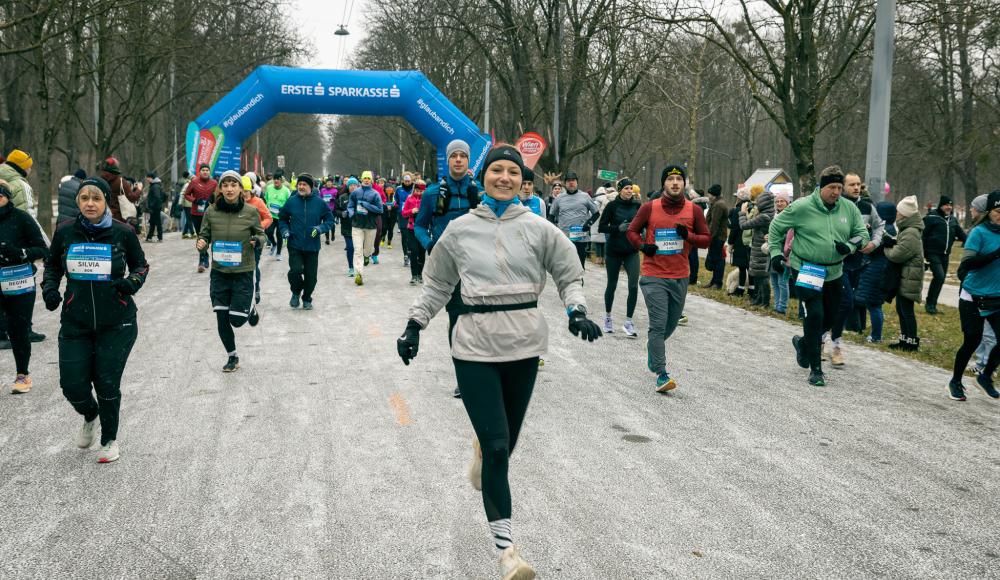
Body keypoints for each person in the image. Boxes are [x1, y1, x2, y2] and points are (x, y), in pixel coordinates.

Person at [396, 145, 601, 580]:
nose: (504, 178)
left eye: (512, 172)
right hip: (473, 345)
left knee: (503, 448)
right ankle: (508, 553)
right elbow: (435, 283)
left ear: (521, 180)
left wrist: (576, 310)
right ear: (483, 177)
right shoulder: (460, 230)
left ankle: (484, 452)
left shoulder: (540, 228)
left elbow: (568, 272)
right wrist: (415, 324)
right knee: (496, 448)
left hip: (524, 345)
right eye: (496, 171)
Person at [42, 177, 149, 463]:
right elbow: (52, 265)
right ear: (78, 202)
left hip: (117, 322)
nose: (90, 203)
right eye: (84, 198)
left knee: (106, 383)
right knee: (72, 384)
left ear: (105, 202)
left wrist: (132, 283)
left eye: (96, 198)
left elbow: (141, 265)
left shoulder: (123, 232)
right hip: (76, 321)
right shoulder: (65, 231)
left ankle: (109, 440)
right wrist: (50, 288)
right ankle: (90, 414)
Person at [769, 165, 869, 387]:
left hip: (835, 271)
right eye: (831, 187)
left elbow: (862, 233)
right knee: (815, 315)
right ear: (821, 187)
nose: (836, 192)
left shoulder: (848, 208)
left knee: (831, 318)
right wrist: (776, 253)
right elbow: (776, 228)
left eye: (839, 187)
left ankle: (804, 343)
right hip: (807, 269)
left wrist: (850, 246)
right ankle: (816, 369)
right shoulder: (802, 207)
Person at [627, 164, 711, 392]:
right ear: (663, 183)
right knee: (657, 323)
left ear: (684, 184)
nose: (675, 183)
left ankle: (653, 349)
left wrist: (689, 236)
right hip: (654, 274)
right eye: (670, 179)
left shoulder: (693, 210)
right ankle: (661, 374)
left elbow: (706, 239)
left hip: (680, 275)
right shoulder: (649, 208)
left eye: (679, 179)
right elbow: (632, 231)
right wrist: (644, 246)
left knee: (670, 324)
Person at [414, 139, 483, 398]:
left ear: (468, 161)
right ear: (448, 160)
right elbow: (420, 225)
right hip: (449, 268)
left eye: (462, 156)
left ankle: (485, 371)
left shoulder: (479, 192)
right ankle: (463, 378)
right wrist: (430, 244)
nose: (457, 160)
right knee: (457, 320)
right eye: (453, 155)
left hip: (478, 266)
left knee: (479, 320)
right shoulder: (432, 193)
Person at [196, 171, 265, 371]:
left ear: (240, 189)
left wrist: (257, 240)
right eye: (225, 185)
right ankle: (232, 356)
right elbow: (204, 234)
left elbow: (261, 235)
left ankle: (249, 309)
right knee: (221, 316)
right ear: (220, 189)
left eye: (233, 185)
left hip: (243, 271)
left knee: (236, 320)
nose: (229, 189)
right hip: (219, 273)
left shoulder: (251, 212)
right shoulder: (211, 211)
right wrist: (201, 242)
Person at [827, 172, 886, 364]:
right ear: (842, 187)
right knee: (846, 303)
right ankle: (835, 346)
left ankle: (824, 340)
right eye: (851, 184)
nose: (856, 188)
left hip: (859, 264)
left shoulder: (867, 206)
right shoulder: (836, 206)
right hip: (838, 262)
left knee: (840, 305)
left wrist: (874, 243)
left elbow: (879, 227)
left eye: (858, 184)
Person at [948, 189, 1000, 401]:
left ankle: (985, 376)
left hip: (996, 297)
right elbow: (968, 264)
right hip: (972, 296)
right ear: (988, 211)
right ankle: (955, 381)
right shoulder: (978, 233)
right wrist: (996, 254)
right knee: (972, 340)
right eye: (997, 210)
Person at [0, 182, 49, 393]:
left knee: (18, 329)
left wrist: (20, 253)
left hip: (18, 282)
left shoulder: (21, 218)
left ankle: (22, 375)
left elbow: (42, 249)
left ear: (7, 197)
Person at [278, 173, 334, 308]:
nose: (301, 187)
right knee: (295, 271)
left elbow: (329, 220)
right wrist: (285, 231)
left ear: (311, 186)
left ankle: (307, 297)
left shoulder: (319, 203)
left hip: (312, 246)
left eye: (304, 185)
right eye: (299, 184)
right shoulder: (291, 201)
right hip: (295, 243)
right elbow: (283, 219)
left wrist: (320, 228)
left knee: (311, 277)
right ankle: (296, 292)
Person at [598, 178, 641, 336]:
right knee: (612, 284)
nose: (630, 191)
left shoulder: (637, 205)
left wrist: (641, 232)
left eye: (631, 188)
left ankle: (628, 322)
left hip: (631, 251)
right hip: (614, 251)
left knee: (634, 286)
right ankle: (608, 318)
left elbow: (643, 223)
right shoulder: (612, 206)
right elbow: (602, 226)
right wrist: (617, 228)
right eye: (626, 188)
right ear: (620, 190)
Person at [882, 196, 925, 351]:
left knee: (907, 311)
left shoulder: (911, 232)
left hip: (909, 278)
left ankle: (911, 342)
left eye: (899, 212)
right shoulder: (907, 230)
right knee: (901, 309)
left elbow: (898, 255)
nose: (897, 214)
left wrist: (886, 247)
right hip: (906, 276)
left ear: (905, 215)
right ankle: (905, 339)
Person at [854, 202, 897, 343]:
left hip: (876, 270)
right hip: (880, 270)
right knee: (873, 304)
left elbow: (872, 249)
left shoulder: (884, 231)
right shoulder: (892, 229)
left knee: (874, 305)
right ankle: (871, 332)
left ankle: (876, 336)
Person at [966, 194, 996, 376]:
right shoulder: (977, 231)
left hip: (991, 289)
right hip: (977, 288)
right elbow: (968, 261)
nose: (971, 210)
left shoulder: (985, 232)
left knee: (990, 332)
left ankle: (986, 364)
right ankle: (982, 360)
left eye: (973, 207)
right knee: (980, 331)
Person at [922, 194, 966, 314]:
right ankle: (929, 304)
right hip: (932, 253)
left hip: (945, 254)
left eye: (950, 205)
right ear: (941, 205)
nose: (949, 207)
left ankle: (932, 304)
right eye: (946, 205)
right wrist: (922, 253)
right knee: (940, 276)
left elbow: (962, 235)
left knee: (940, 280)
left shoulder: (952, 220)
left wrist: (972, 244)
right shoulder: (931, 218)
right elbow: (922, 235)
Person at [549, 170, 598, 268]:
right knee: (565, 265)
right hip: (564, 237)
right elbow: (551, 216)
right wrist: (554, 229)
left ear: (577, 182)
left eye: (573, 180)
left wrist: (588, 224)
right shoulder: (559, 198)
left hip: (580, 236)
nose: (571, 183)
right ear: (565, 184)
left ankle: (579, 283)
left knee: (580, 266)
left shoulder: (585, 196)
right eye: (568, 181)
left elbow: (596, 213)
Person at [739, 184, 775, 307]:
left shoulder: (764, 216)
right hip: (759, 248)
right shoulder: (767, 213)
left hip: (761, 250)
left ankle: (764, 301)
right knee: (759, 275)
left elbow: (744, 225)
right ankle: (759, 299)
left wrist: (743, 213)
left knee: (763, 276)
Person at [348, 171, 384, 286]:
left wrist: (366, 205)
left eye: (369, 178)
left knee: (367, 250)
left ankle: (367, 256)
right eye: (365, 178)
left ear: (371, 180)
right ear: (361, 180)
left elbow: (380, 210)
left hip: (370, 226)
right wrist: (351, 213)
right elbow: (350, 205)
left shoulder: (375, 194)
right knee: (357, 250)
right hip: (357, 226)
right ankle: (359, 274)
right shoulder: (355, 193)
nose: (367, 180)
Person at [242, 175, 272, 304]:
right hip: (240, 240)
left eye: (246, 191)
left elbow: (268, 218)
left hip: (256, 239)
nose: (244, 194)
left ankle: (256, 288)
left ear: (252, 190)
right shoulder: (235, 202)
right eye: (242, 191)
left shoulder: (258, 202)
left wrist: (259, 228)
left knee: (253, 265)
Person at [185, 164, 217, 272]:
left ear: (209, 171)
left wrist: (213, 201)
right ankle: (202, 259)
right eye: (203, 170)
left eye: (207, 170)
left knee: (210, 236)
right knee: (200, 236)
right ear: (200, 172)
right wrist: (195, 200)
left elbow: (218, 196)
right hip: (196, 214)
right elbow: (186, 194)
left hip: (211, 214)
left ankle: (205, 253)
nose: (205, 172)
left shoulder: (214, 183)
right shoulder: (194, 182)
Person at [769, 190, 793, 313]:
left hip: (785, 254)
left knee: (782, 282)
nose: (779, 203)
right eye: (777, 201)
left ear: (787, 202)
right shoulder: (775, 215)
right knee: (774, 281)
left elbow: (788, 235)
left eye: (782, 201)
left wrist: (774, 237)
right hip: (774, 253)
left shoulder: (790, 216)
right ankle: (776, 305)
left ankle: (782, 307)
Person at [97, 157, 140, 223]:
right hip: (118, 218)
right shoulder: (121, 182)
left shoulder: (99, 181)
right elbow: (132, 197)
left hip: (102, 215)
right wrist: (138, 189)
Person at [702, 184, 729, 289]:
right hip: (717, 236)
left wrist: (709, 237)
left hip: (717, 237)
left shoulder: (718, 205)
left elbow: (714, 223)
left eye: (709, 193)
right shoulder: (716, 203)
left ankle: (717, 283)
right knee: (716, 259)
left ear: (713, 194)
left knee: (718, 260)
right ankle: (714, 281)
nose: (708, 195)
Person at [400, 180, 427, 284]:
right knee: (414, 251)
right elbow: (403, 213)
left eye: (421, 191)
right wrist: (412, 211)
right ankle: (414, 275)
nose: (419, 193)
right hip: (411, 229)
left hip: (424, 230)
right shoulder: (409, 199)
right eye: (417, 190)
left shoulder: (426, 200)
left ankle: (420, 274)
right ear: (414, 189)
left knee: (421, 253)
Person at [728, 186, 752, 296]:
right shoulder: (753, 208)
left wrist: (730, 243)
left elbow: (734, 228)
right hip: (751, 241)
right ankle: (752, 289)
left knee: (742, 267)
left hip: (739, 241)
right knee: (750, 267)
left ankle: (740, 289)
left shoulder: (738, 210)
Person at [263, 172, 291, 261]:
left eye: (278, 179)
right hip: (271, 216)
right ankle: (274, 244)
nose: (276, 180)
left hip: (281, 217)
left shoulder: (286, 190)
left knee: (279, 235)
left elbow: (289, 203)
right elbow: (266, 199)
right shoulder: (269, 188)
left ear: (281, 180)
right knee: (268, 232)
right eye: (274, 179)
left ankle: (278, 253)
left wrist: (283, 209)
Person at [0, 149, 36, 213]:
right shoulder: (22, 186)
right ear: (22, 168)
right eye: (29, 166)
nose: (30, 169)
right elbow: (28, 214)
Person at [336, 178, 359, 276]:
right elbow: (336, 210)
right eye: (351, 185)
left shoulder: (362, 197)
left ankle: (358, 266)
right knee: (350, 248)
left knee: (358, 249)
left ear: (358, 186)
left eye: (355, 185)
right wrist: (342, 214)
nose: (353, 187)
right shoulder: (342, 197)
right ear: (348, 186)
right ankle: (351, 268)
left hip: (359, 227)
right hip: (347, 227)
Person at [395, 174, 415, 266]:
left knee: (411, 236)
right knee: (404, 236)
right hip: (402, 215)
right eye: (405, 181)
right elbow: (395, 199)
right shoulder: (399, 189)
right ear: (403, 181)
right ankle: (406, 256)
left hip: (412, 214)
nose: (407, 182)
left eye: (408, 181)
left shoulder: (414, 188)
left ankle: (411, 255)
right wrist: (395, 204)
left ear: (411, 181)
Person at [144, 172, 167, 242]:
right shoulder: (155, 185)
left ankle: (159, 238)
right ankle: (150, 237)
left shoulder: (155, 186)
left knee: (157, 223)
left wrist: (151, 205)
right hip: (156, 207)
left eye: (147, 178)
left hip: (155, 208)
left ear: (150, 178)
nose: (146, 179)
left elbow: (157, 197)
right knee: (153, 223)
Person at [319, 177, 339, 245]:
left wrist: (333, 199)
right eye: (328, 182)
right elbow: (320, 198)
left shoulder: (335, 190)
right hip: (325, 209)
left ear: (332, 183)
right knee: (325, 224)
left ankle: (332, 235)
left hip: (332, 209)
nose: (329, 183)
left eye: (330, 182)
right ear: (326, 183)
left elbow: (337, 199)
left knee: (332, 224)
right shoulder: (322, 190)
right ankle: (327, 238)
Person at [380, 183, 398, 249]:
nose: (389, 189)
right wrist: (385, 206)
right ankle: (383, 238)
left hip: (393, 215)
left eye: (391, 188)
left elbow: (397, 205)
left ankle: (389, 242)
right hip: (384, 214)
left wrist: (392, 207)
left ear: (393, 189)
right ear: (385, 189)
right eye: (387, 188)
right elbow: (380, 204)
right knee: (384, 227)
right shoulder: (382, 195)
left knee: (390, 229)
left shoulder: (395, 196)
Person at [179, 171, 195, 238]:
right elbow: (182, 193)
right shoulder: (187, 184)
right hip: (187, 204)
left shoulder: (191, 183)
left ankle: (184, 232)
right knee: (189, 219)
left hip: (191, 203)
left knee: (189, 218)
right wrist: (180, 203)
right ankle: (192, 233)